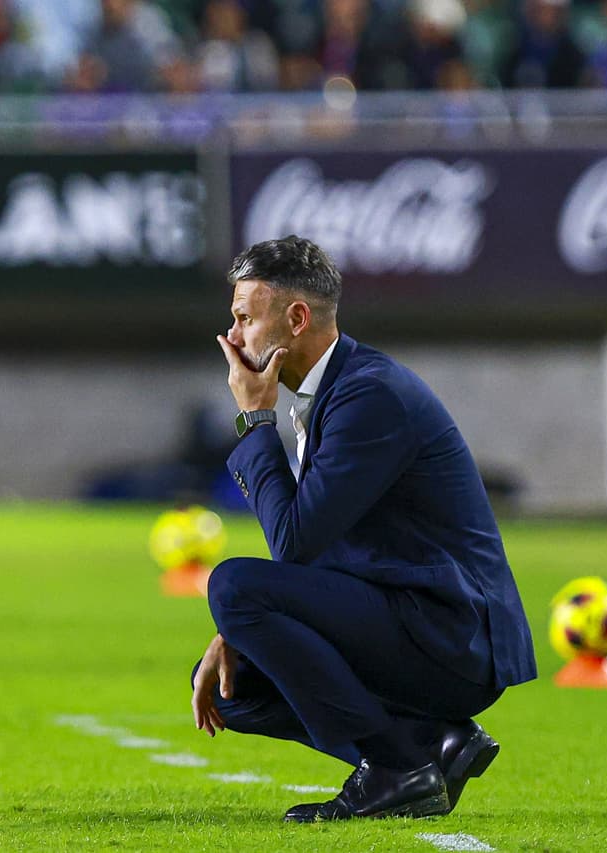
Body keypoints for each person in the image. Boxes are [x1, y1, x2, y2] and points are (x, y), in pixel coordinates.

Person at [190, 235, 536, 822]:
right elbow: (319, 543)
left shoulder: (368, 396)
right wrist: (240, 631)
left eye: (245, 317)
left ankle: (396, 767)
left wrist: (254, 421)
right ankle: (429, 746)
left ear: (296, 319)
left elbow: (295, 539)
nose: (233, 337)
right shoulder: (330, 390)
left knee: (232, 587)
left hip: (453, 634)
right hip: (406, 614)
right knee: (233, 685)